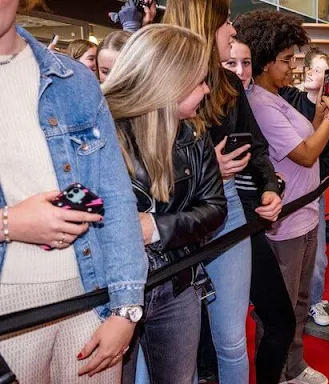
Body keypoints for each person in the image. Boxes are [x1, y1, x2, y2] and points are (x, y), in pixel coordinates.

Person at [0, 1, 148, 381]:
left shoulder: (73, 81)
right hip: (8, 307)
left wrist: (126, 308)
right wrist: (7, 223)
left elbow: (114, 196)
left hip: (92, 295)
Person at [163, 1, 284, 383]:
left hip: (229, 209)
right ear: (204, 23)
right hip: (169, 220)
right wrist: (205, 169)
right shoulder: (158, 77)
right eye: (226, 21)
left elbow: (257, 147)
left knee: (231, 341)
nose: (233, 31)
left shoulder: (229, 84)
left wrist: (269, 187)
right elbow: (142, 168)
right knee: (178, 346)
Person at [103, 24, 228, 384]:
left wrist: (156, 227)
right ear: (169, 81)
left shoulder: (195, 134)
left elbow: (214, 208)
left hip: (178, 283)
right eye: (200, 80)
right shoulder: (102, 131)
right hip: (112, 293)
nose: (207, 89)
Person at [235, 9, 329, 384]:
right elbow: (306, 153)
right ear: (265, 63)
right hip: (286, 223)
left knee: (298, 302)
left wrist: (320, 117)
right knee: (277, 311)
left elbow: (303, 140)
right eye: (285, 60)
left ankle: (293, 367)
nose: (292, 66)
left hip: (305, 213)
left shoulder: (279, 98)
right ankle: (277, 372)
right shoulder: (261, 104)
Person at [278, 46, 329, 327]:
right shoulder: (288, 98)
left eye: (318, 69)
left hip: (311, 193)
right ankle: (283, 309)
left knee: (315, 258)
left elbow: (321, 159)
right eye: (309, 68)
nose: (310, 72)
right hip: (283, 192)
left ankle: (313, 302)